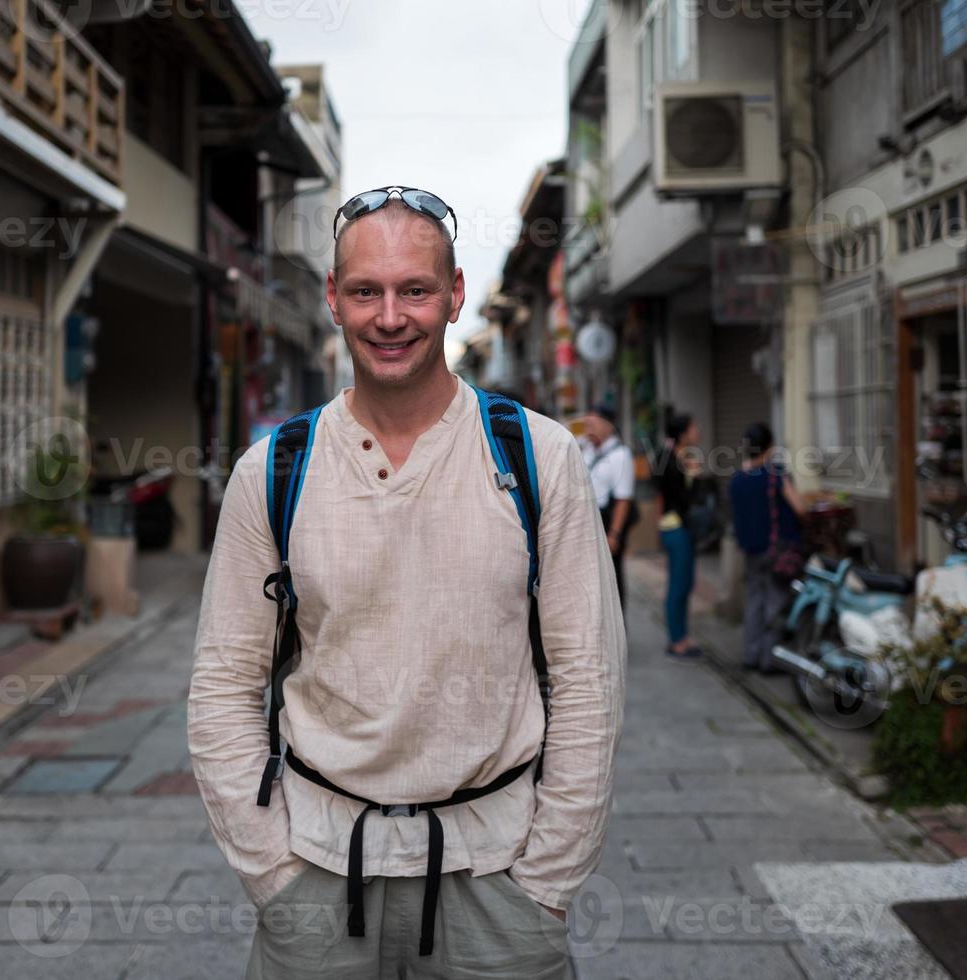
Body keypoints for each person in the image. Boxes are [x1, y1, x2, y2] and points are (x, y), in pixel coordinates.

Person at [187, 186, 626, 979]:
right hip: (317, 871)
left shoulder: (539, 458)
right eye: (366, 291)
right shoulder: (275, 471)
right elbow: (223, 680)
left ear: (455, 295)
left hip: (497, 873)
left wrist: (549, 881)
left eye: (415, 290)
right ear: (333, 298)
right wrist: (270, 875)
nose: (391, 317)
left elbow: (588, 677)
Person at [729, 422, 806, 674]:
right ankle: (769, 660)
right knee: (775, 601)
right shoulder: (776, 475)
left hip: (751, 550)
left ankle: (750, 655)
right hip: (777, 551)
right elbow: (800, 509)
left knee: (754, 601)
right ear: (770, 447)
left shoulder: (738, 479)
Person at [574, 407, 636, 615]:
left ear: (608, 426)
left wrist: (614, 534)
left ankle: (618, 637)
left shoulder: (621, 455)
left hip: (608, 522)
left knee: (613, 581)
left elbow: (623, 499)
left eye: (593, 425)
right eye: (587, 425)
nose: (588, 429)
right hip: (588, 519)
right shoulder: (588, 449)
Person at [655, 408, 702, 659]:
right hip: (675, 528)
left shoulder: (675, 455)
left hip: (676, 527)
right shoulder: (671, 460)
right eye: (694, 427)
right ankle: (676, 640)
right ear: (683, 433)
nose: (698, 431)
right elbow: (679, 498)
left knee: (684, 583)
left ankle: (681, 635)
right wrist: (693, 476)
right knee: (679, 584)